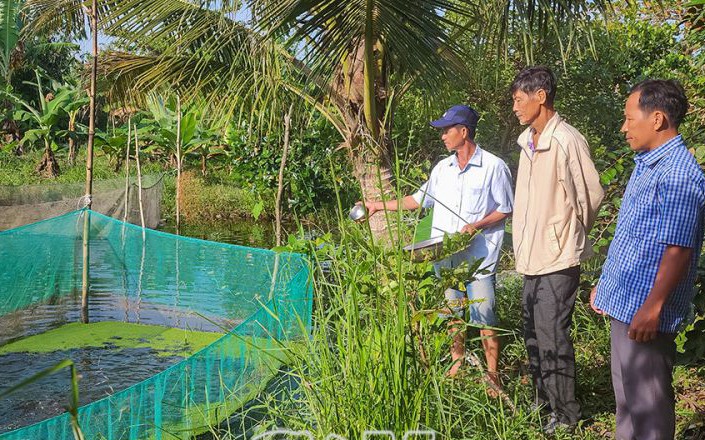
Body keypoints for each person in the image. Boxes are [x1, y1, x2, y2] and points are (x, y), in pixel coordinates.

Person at [364, 104, 514, 388]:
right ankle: (457, 362)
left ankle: (492, 375)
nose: (443, 136)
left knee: (484, 317)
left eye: (447, 130)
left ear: (464, 132)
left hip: (479, 259)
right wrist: (375, 206)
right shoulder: (442, 169)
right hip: (445, 258)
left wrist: (476, 225)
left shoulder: (494, 167)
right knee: (452, 313)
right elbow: (416, 200)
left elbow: (506, 209)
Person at [591, 79, 705, 440]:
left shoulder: (678, 174)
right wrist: (605, 285)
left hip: (645, 314)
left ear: (656, 119)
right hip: (624, 305)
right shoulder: (647, 164)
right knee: (627, 401)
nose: (624, 128)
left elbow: (679, 249)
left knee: (649, 407)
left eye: (628, 118)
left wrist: (653, 307)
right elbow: (631, 235)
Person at [510, 66, 604, 432]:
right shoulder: (527, 142)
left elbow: (590, 196)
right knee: (534, 334)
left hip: (557, 257)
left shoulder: (566, 139)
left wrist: (565, 234)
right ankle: (542, 404)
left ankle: (566, 415)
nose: (515, 107)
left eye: (519, 99)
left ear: (541, 96)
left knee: (553, 335)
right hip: (532, 258)